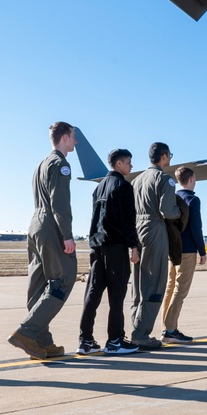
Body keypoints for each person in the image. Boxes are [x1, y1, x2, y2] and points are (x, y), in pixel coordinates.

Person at [8, 122, 78, 360]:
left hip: (35, 224)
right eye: (73, 137)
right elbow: (60, 203)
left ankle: (40, 341)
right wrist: (67, 235)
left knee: (38, 285)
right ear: (65, 137)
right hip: (51, 225)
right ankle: (27, 331)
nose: (75, 142)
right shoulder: (61, 164)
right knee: (63, 280)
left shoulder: (40, 164)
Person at [76, 149, 141, 356]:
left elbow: (94, 219)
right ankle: (115, 340)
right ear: (119, 164)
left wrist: (93, 244)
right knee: (117, 295)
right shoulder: (123, 186)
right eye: (129, 162)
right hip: (115, 246)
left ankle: (85, 340)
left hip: (97, 246)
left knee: (93, 293)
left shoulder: (99, 188)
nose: (131, 166)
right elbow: (128, 221)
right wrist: (134, 246)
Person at [129, 142, 182, 350]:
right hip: (154, 229)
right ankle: (141, 333)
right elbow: (167, 211)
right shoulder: (164, 179)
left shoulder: (137, 179)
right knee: (155, 281)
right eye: (169, 155)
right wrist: (180, 213)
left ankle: (135, 325)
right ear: (163, 156)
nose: (170, 158)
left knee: (138, 282)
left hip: (137, 229)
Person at [161, 166, 206, 344]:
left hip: (173, 249)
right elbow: (196, 227)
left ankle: (166, 327)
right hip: (187, 250)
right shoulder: (193, 200)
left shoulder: (174, 197)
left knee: (170, 288)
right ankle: (171, 329)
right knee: (180, 289)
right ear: (192, 180)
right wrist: (202, 251)